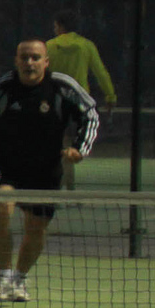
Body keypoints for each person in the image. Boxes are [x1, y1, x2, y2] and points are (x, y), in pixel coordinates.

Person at [0, 38, 100, 303]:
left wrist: (80, 148)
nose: (29, 62)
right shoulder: (0, 87)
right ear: (16, 61)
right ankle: (4, 277)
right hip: (6, 168)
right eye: (24, 57)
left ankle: (20, 279)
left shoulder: (62, 87)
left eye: (35, 57)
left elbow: (90, 113)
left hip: (45, 172)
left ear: (46, 62)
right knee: (0, 208)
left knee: (36, 228)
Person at [47, 11, 117, 189]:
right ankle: (69, 187)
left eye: (55, 26)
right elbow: (100, 72)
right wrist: (110, 96)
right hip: (79, 103)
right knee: (71, 146)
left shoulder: (49, 46)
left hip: (55, 101)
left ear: (60, 27)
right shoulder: (86, 46)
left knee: (56, 144)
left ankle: (56, 184)